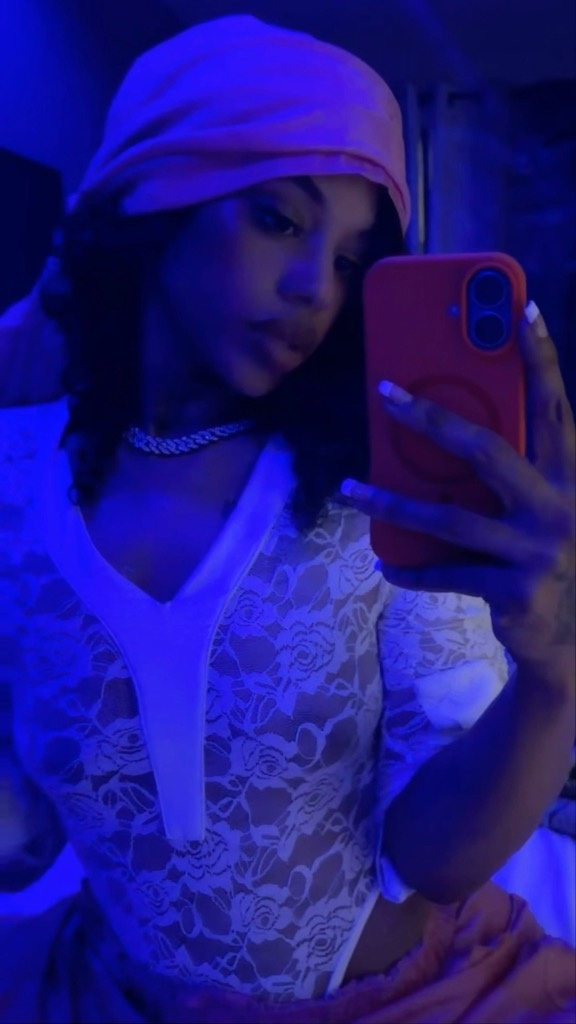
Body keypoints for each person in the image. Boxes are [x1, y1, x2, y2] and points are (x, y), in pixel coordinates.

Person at [0, 13, 574, 1024]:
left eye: (352, 259)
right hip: (105, 993)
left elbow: (435, 858)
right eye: (278, 219)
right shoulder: (14, 481)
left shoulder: (381, 486)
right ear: (154, 201)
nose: (317, 289)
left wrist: (552, 671)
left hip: (411, 1000)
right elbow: (25, 844)